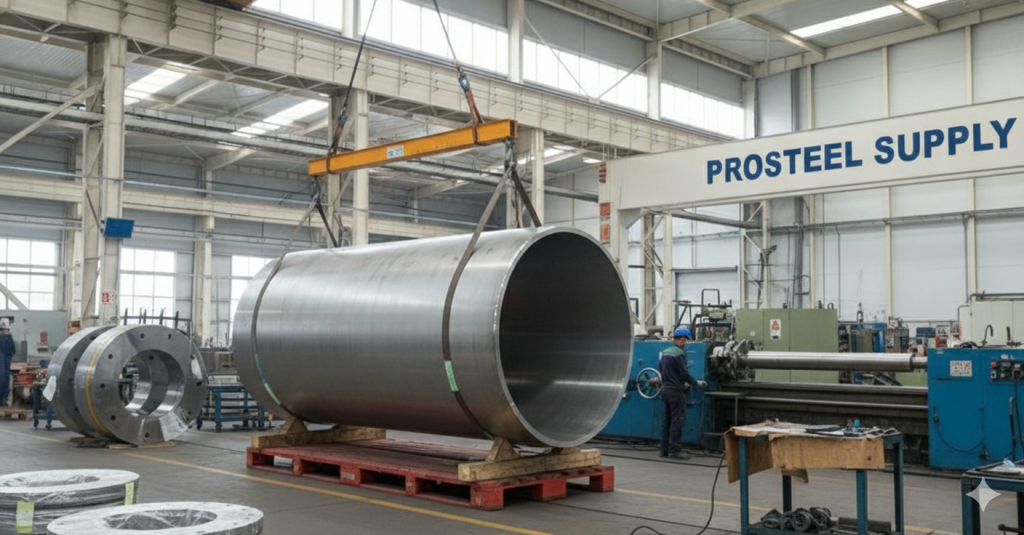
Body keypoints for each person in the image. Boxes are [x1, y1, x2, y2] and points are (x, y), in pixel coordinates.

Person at [659, 327, 707, 459]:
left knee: (666, 420)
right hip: (675, 392)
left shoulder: (665, 353)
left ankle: (664, 450)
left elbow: (661, 370)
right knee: (677, 420)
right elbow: (684, 373)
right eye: (684, 340)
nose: (685, 343)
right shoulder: (679, 354)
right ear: (679, 339)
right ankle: (675, 450)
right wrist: (696, 382)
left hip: (665, 390)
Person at [0, 319, 14, 407]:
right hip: (4, 364)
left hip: (5, 364)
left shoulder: (8, 339)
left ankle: (3, 399)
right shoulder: (7, 339)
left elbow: (12, 351)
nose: (3, 331)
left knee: (5, 379)